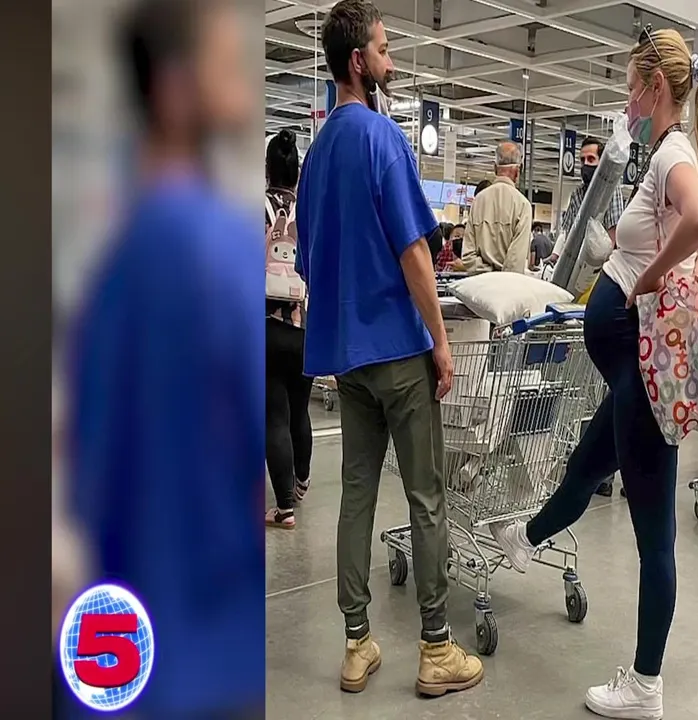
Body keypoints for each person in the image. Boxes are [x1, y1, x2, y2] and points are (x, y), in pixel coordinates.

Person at [489, 26, 698, 719]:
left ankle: (645, 687)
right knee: (584, 469)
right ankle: (524, 539)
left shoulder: (673, 151)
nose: (626, 102)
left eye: (630, 88)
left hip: (641, 378)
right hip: (630, 377)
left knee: (654, 534)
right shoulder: (666, 150)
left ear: (655, 86)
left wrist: (644, 278)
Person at [67, 0, 264, 716]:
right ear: (177, 90)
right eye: (226, 61)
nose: (244, 77)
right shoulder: (218, 247)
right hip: (214, 651)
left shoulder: (111, 272)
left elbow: (89, 473)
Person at [295, 0, 483, 698]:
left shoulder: (316, 158)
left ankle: (356, 645)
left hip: (347, 361)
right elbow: (415, 253)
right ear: (357, 62)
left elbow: (309, 264)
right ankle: (435, 648)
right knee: (426, 496)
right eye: (383, 49)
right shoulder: (383, 139)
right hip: (400, 353)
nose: (391, 61)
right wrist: (440, 341)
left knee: (356, 497)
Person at [263, 129, 313, 529]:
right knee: (300, 409)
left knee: (273, 415)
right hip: (305, 326)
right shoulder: (309, 211)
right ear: (297, 173)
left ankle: (284, 508)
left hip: (264, 327)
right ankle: (301, 481)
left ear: (267, 170)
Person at [548, 135, 626, 265]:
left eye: (591, 159)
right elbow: (566, 232)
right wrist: (555, 256)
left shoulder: (611, 191)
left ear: (602, 162)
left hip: (600, 263)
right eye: (582, 160)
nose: (586, 164)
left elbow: (612, 237)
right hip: (574, 262)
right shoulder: (577, 194)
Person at [462, 140, 533, 274]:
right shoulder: (523, 205)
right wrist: (500, 276)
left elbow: (467, 257)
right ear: (518, 171)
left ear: (495, 168)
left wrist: (488, 273)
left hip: (479, 284)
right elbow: (516, 261)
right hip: (508, 285)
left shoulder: (478, 201)